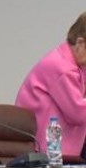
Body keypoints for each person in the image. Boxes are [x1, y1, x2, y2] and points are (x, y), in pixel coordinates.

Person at [16, 12, 86, 158]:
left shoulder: (76, 63)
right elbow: (78, 114)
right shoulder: (63, 68)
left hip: (63, 149)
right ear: (80, 43)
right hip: (47, 150)